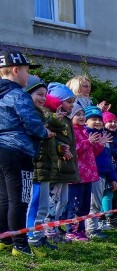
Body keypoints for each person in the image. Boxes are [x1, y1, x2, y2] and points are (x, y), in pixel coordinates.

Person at [0, 50, 53, 257]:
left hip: (1, 152)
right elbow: (31, 123)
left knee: (3, 198)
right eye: (26, 71)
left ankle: (4, 239)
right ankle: (20, 245)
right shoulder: (18, 95)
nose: (28, 75)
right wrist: (44, 132)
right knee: (19, 200)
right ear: (15, 70)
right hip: (17, 151)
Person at [25, 75, 61, 254]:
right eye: (39, 94)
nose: (42, 98)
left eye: (44, 96)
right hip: (37, 168)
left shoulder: (40, 115)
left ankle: (37, 235)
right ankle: (32, 235)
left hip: (45, 167)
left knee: (44, 205)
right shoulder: (29, 115)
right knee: (36, 203)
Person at [42, 82, 79, 241]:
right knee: (53, 199)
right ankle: (48, 230)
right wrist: (60, 148)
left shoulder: (66, 119)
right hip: (56, 166)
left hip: (66, 165)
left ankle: (56, 227)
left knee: (63, 200)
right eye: (69, 102)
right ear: (57, 101)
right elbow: (50, 137)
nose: (72, 105)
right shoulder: (50, 116)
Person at [67, 104, 106, 240]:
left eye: (83, 114)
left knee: (84, 205)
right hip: (77, 175)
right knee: (75, 205)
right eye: (78, 114)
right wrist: (88, 142)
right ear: (70, 117)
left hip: (89, 175)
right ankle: (72, 231)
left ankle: (81, 230)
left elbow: (93, 153)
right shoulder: (70, 131)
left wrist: (99, 144)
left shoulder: (85, 131)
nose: (82, 117)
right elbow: (74, 150)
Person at [84, 106, 117, 237]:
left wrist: (113, 178)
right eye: (93, 119)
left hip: (102, 175)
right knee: (91, 203)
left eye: (99, 119)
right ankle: (90, 229)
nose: (97, 122)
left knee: (96, 202)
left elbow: (108, 159)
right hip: (90, 174)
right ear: (86, 121)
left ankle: (93, 227)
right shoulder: (85, 134)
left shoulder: (104, 136)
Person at [102, 111, 117, 228]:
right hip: (107, 169)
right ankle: (108, 218)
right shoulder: (106, 136)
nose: (113, 124)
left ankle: (105, 217)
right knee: (107, 193)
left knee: (109, 193)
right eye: (109, 121)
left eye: (115, 122)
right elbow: (115, 152)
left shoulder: (116, 135)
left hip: (115, 169)